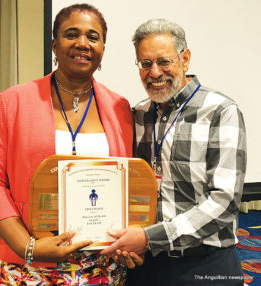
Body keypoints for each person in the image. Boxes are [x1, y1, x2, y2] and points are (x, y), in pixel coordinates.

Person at [0, 4, 136, 285]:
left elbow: (126, 182)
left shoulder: (119, 107)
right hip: (30, 263)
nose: (82, 43)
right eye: (71, 34)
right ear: (54, 45)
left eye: (93, 37)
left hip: (101, 266)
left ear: (102, 49)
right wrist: (27, 246)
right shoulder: (13, 101)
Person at [101, 18, 247, 285]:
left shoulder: (220, 111)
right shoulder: (139, 114)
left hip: (206, 265)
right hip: (145, 264)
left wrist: (149, 238)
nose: (155, 72)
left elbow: (225, 202)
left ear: (185, 59)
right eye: (145, 64)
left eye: (164, 61)